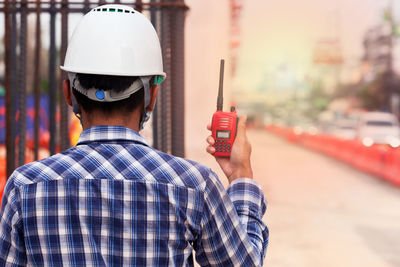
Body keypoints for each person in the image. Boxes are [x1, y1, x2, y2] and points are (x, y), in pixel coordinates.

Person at [0, 4, 268, 266]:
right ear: (152, 95)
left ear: (69, 93)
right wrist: (240, 175)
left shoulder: (25, 187)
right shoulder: (194, 185)